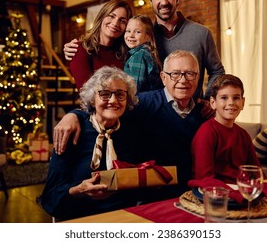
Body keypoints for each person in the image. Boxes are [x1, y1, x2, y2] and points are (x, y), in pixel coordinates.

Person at [53, 50, 209, 200]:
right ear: (163, 77)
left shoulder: (205, 112)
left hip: (191, 193)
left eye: (190, 73)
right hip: (152, 196)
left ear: (198, 77)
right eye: (175, 73)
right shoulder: (143, 103)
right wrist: (73, 114)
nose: (183, 80)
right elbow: (105, 110)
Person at [64, 0, 225, 99]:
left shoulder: (201, 33)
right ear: (150, 0)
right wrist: (73, 47)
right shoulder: (140, 39)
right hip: (152, 118)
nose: (164, 1)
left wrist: (208, 99)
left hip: (191, 114)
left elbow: (217, 71)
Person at [41, 66, 140, 220]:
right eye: (105, 94)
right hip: (81, 217)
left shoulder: (132, 131)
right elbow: (50, 198)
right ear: (93, 100)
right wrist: (78, 190)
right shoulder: (72, 131)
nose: (113, 101)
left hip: (124, 217)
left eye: (120, 95)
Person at [188, 74, 262, 190]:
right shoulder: (206, 133)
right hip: (214, 194)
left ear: (243, 102)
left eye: (236, 98)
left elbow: (256, 172)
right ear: (213, 103)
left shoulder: (243, 135)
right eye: (224, 98)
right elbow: (204, 178)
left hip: (242, 191)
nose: (231, 102)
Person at [69, 0, 132, 90]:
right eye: (111, 16)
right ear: (102, 17)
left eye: (122, 21)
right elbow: (86, 92)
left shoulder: (126, 53)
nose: (115, 23)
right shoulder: (80, 49)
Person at [124, 14, 162, 92]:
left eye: (137, 32)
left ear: (148, 36)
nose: (131, 35)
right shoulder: (146, 52)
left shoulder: (139, 56)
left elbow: (135, 90)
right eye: (128, 31)